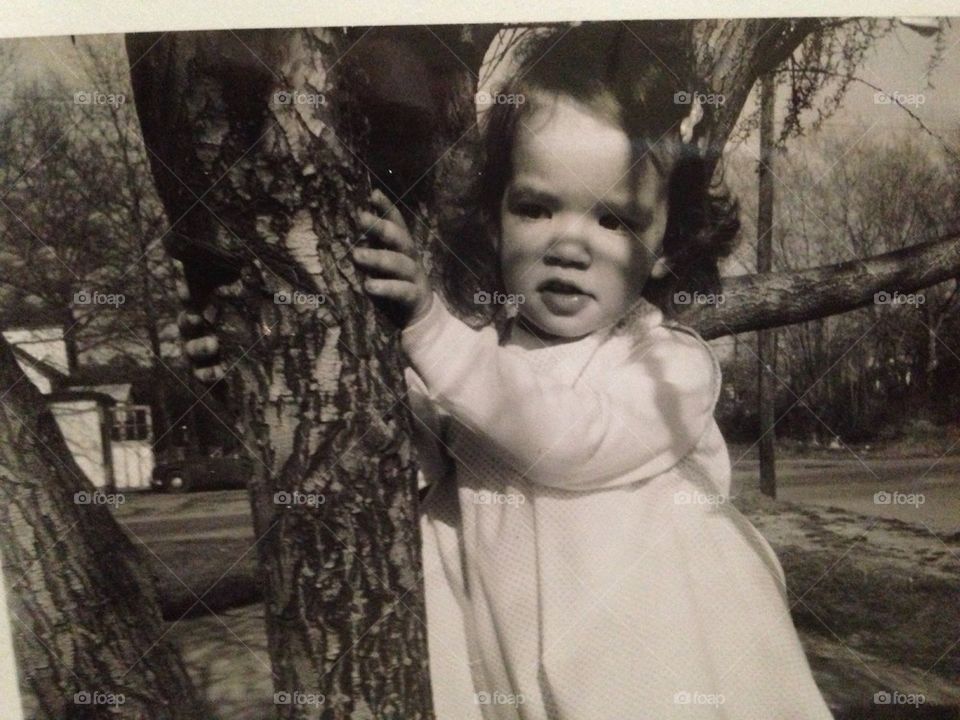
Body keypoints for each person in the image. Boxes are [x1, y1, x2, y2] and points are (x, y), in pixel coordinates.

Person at [181, 25, 834, 720]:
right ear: (494, 220)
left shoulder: (667, 371)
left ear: (669, 243)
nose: (570, 245)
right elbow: (374, 446)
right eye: (536, 207)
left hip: (658, 675)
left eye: (614, 220)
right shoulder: (474, 367)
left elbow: (567, 438)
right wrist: (254, 369)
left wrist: (432, 330)